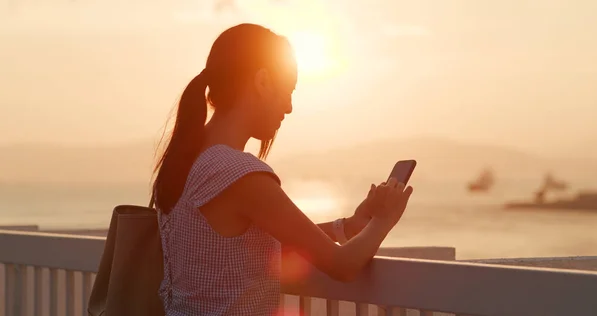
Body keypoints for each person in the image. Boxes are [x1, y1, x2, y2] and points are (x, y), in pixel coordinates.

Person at [152, 23, 413, 316]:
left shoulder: (186, 160)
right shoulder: (239, 173)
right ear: (262, 81)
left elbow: (258, 244)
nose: (288, 108)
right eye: (287, 91)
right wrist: (384, 219)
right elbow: (342, 266)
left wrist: (347, 227)